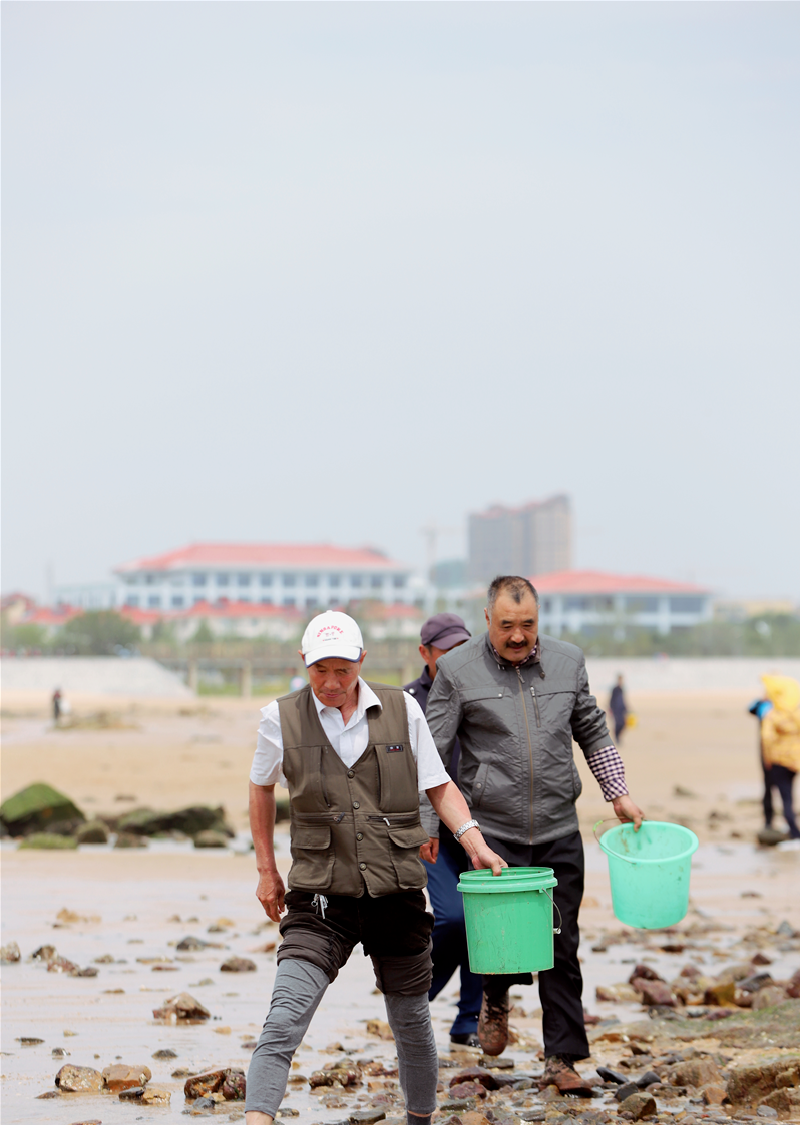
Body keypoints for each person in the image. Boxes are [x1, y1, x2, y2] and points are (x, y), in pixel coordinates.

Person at [245, 611, 506, 1125]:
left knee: (411, 1025)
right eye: (321, 670)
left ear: (362, 661)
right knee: (283, 1021)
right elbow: (260, 787)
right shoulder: (279, 717)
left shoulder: (403, 709)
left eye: (343, 670)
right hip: (320, 899)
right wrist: (266, 870)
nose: (332, 683)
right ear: (305, 663)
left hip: (396, 896)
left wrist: (473, 841)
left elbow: (438, 784)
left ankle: (419, 1119)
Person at [425, 576, 644, 1095]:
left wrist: (618, 791)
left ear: (539, 621)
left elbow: (590, 727)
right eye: (507, 626)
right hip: (491, 832)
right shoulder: (457, 670)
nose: (518, 636)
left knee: (560, 942)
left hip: (557, 827)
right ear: (487, 621)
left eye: (527, 625)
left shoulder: (568, 661)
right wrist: (428, 826)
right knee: (502, 940)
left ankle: (562, 1059)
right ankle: (495, 998)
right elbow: (431, 754)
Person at [404, 612, 482, 1048]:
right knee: (453, 917)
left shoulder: (484, 696)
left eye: (463, 650)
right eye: (446, 652)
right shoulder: (405, 702)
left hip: (481, 828)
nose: (455, 660)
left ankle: (468, 1019)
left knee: (482, 921)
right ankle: (417, 993)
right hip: (428, 832)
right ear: (426, 654)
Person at [760, 675, 800, 843]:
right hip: (794, 761)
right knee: (789, 795)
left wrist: (767, 758)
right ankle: (791, 826)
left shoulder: (772, 715)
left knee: (783, 796)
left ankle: (794, 831)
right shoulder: (796, 714)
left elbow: (766, 739)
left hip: (777, 761)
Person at [748, 694, 775, 832]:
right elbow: (750, 709)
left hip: (770, 756)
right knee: (777, 791)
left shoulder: (766, 707)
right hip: (779, 757)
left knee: (771, 789)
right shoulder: (766, 705)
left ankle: (770, 822)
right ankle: (770, 822)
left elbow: (751, 710)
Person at [609, 675, 628, 744]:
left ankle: (618, 737)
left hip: (622, 709)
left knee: (624, 724)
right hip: (616, 709)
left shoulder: (621, 689)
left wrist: (626, 708)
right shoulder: (615, 689)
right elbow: (611, 700)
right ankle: (617, 738)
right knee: (618, 724)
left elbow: (623, 700)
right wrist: (611, 708)